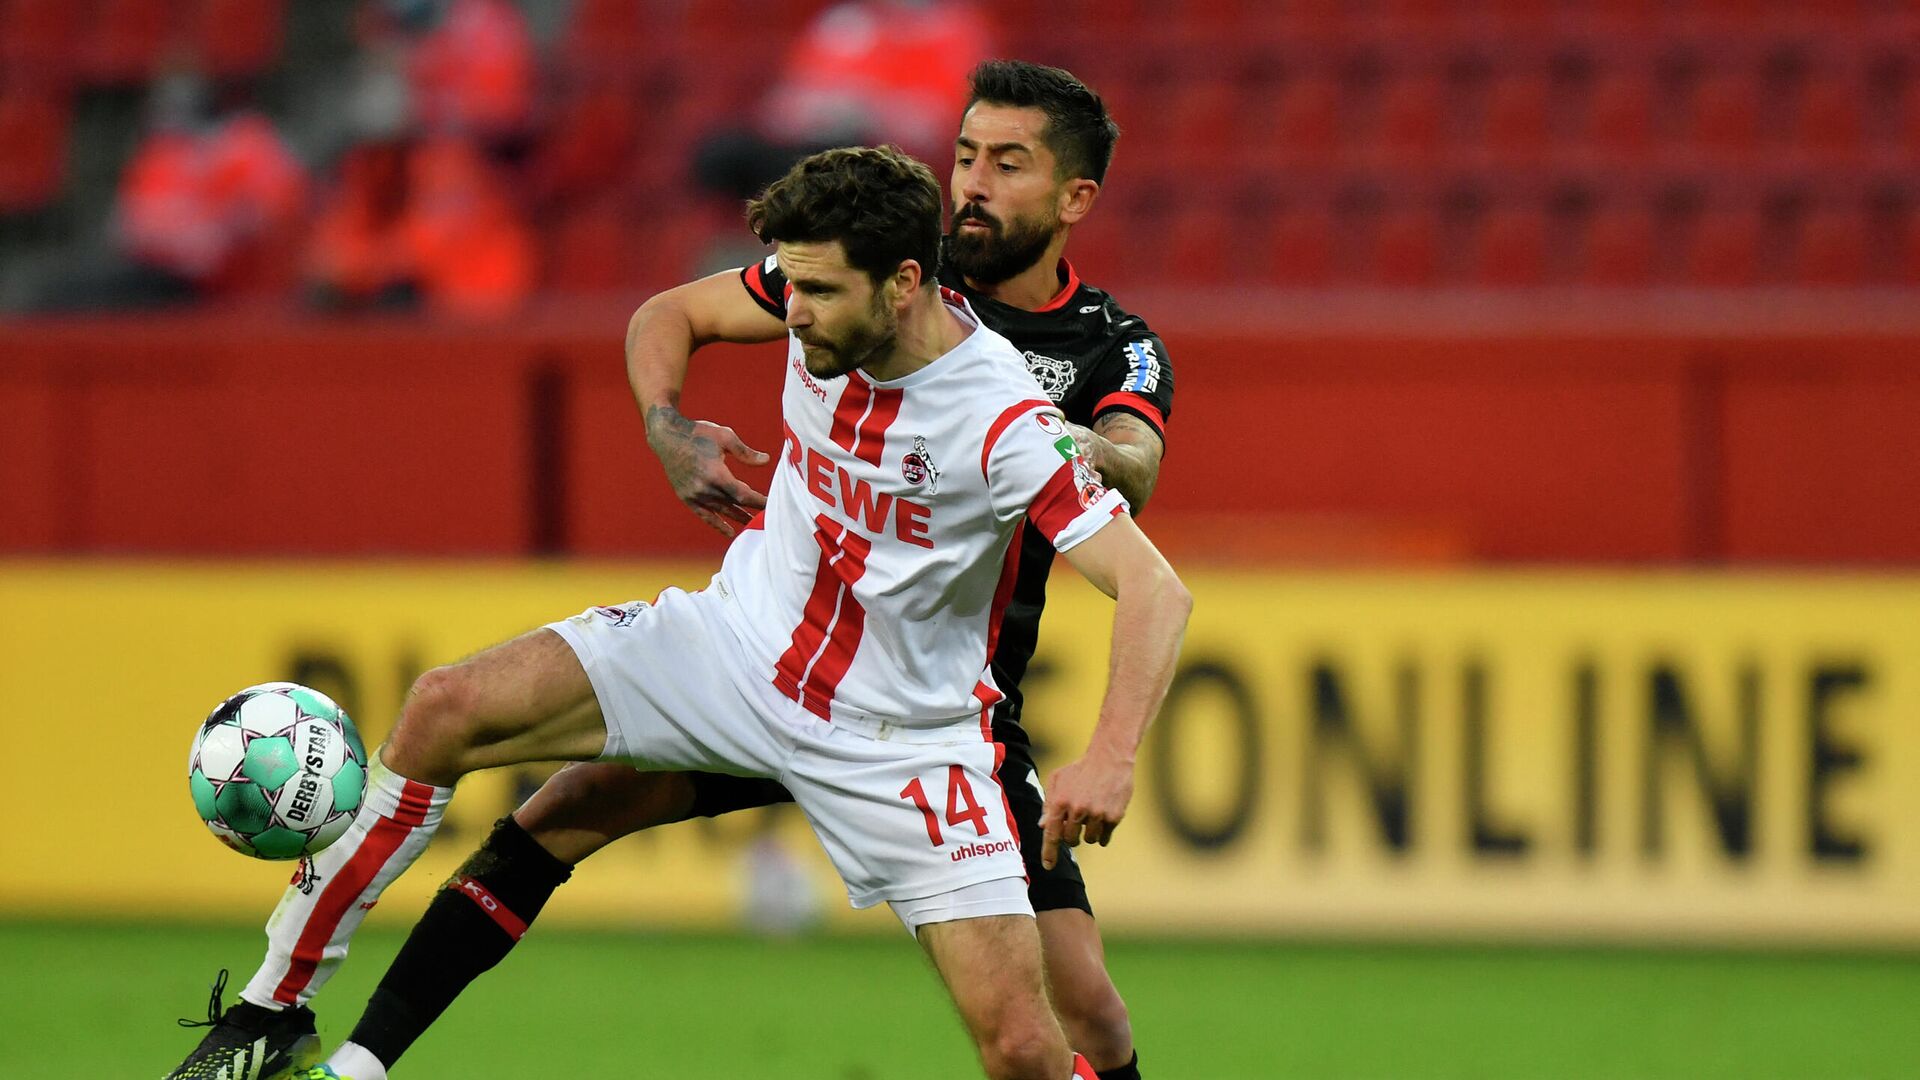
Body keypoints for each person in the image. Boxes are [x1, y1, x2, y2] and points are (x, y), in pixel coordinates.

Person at [187, 59, 1169, 1080]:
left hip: (912, 721)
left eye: (1006, 163)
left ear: (1071, 197)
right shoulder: (849, 261)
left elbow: (1147, 556)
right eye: (966, 154)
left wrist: (1107, 742)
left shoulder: (1031, 388)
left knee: (1050, 1030)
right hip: (743, 650)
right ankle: (286, 1021)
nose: (974, 181)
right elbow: (672, 313)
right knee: (468, 729)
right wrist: (667, 426)